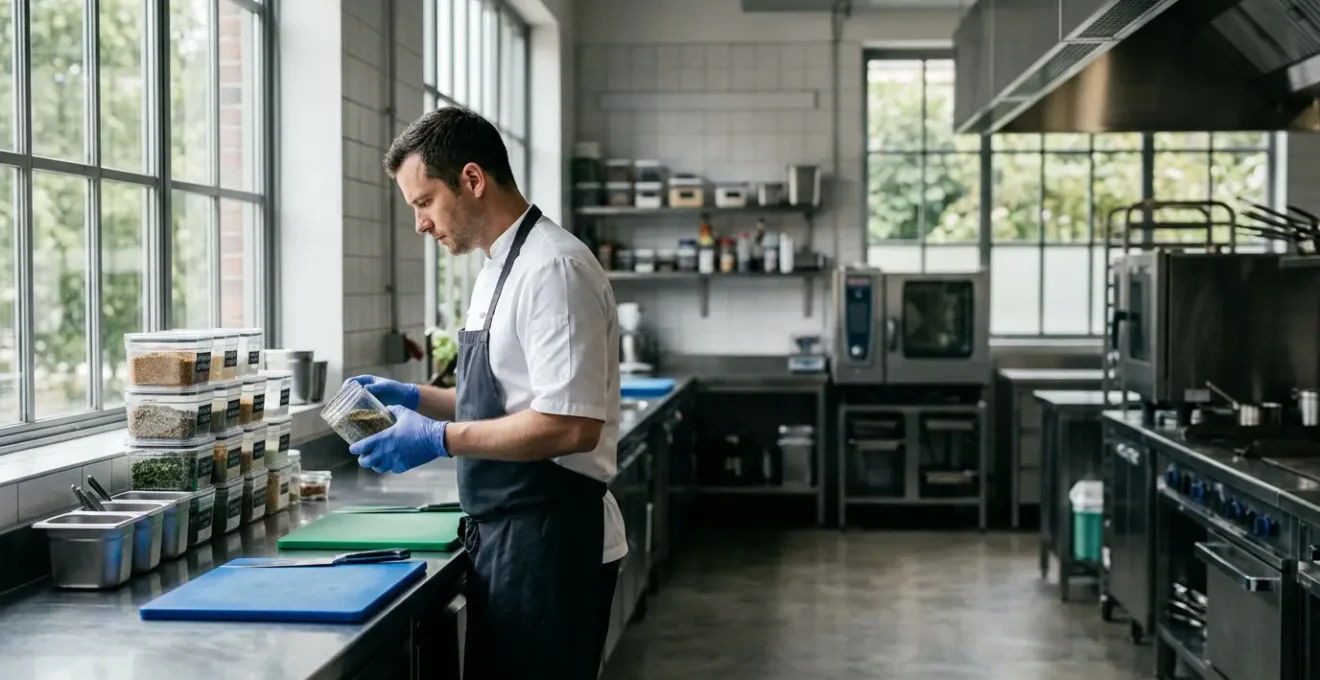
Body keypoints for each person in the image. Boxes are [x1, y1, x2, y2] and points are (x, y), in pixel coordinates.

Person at [347, 106, 625, 679]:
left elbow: (571, 425)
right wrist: (415, 398)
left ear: (472, 179)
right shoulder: (498, 268)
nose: (420, 224)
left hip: (554, 543)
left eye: (425, 202)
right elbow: (507, 402)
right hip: (509, 537)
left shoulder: (553, 269)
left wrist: (440, 439)